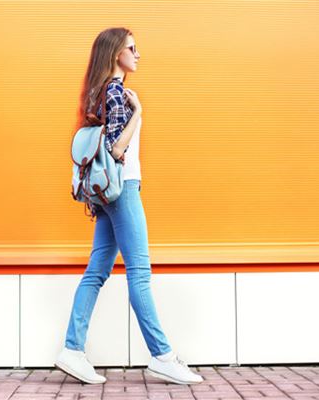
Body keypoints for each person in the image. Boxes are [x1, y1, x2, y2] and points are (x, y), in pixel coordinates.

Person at [55, 27, 204, 386]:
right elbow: (117, 149)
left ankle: (72, 350)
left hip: (106, 193)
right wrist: (138, 112)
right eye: (132, 48)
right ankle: (163, 356)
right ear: (115, 54)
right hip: (123, 190)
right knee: (139, 273)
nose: (138, 55)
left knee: (96, 272)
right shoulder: (117, 92)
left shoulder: (97, 91)